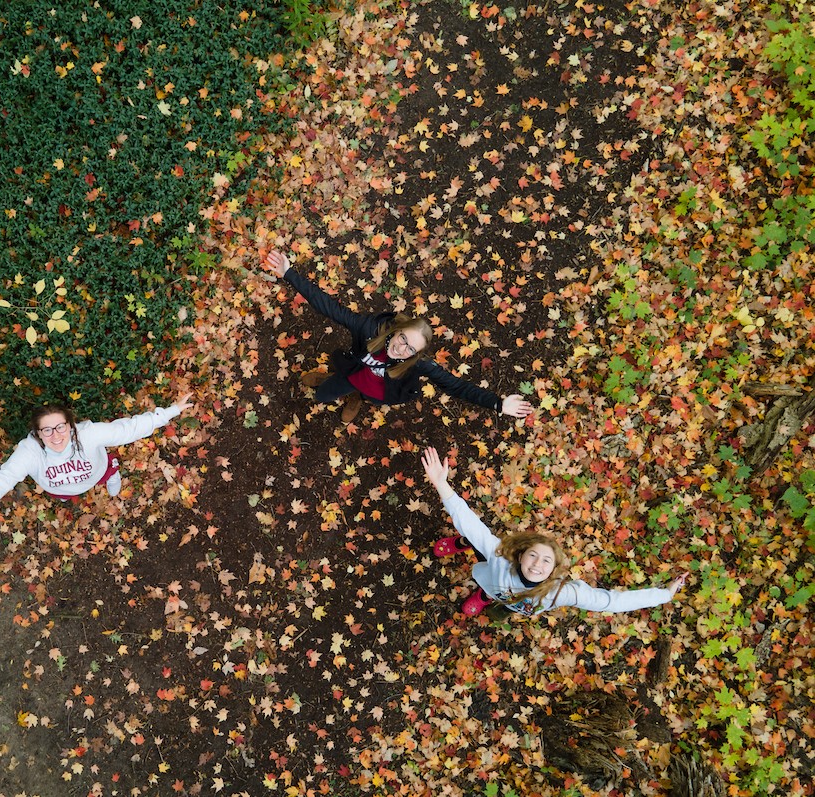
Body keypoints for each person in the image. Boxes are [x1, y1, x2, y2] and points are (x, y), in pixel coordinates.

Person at [263, 249, 533, 423]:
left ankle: (358, 397)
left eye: (410, 350)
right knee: (323, 394)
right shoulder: (368, 329)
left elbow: (457, 386)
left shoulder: (418, 364)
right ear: (397, 330)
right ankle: (339, 384)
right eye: (403, 340)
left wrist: (497, 403)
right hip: (355, 371)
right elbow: (328, 307)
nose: (402, 350)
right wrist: (288, 272)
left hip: (381, 389)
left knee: (366, 394)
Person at [419, 446, 687, 617]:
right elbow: (470, 522)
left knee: (496, 592)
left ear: (554, 569)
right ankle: (462, 543)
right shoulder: (501, 556)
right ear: (521, 556)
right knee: (478, 541)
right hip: (492, 567)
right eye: (534, 556)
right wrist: (442, 485)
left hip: (505, 595)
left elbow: (612, 602)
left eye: (546, 561)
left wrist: (664, 595)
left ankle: (485, 596)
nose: (537, 565)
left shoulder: (561, 593)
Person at [0, 394, 193, 510]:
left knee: (108, 471)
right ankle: (63, 495)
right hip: (60, 487)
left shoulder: (88, 434)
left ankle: (113, 476)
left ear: (70, 425)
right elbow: (4, 479)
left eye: (60, 427)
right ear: (37, 433)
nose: (56, 436)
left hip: (98, 471)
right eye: (46, 430)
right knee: (62, 496)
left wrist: (169, 412)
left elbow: (128, 429)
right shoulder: (30, 451)